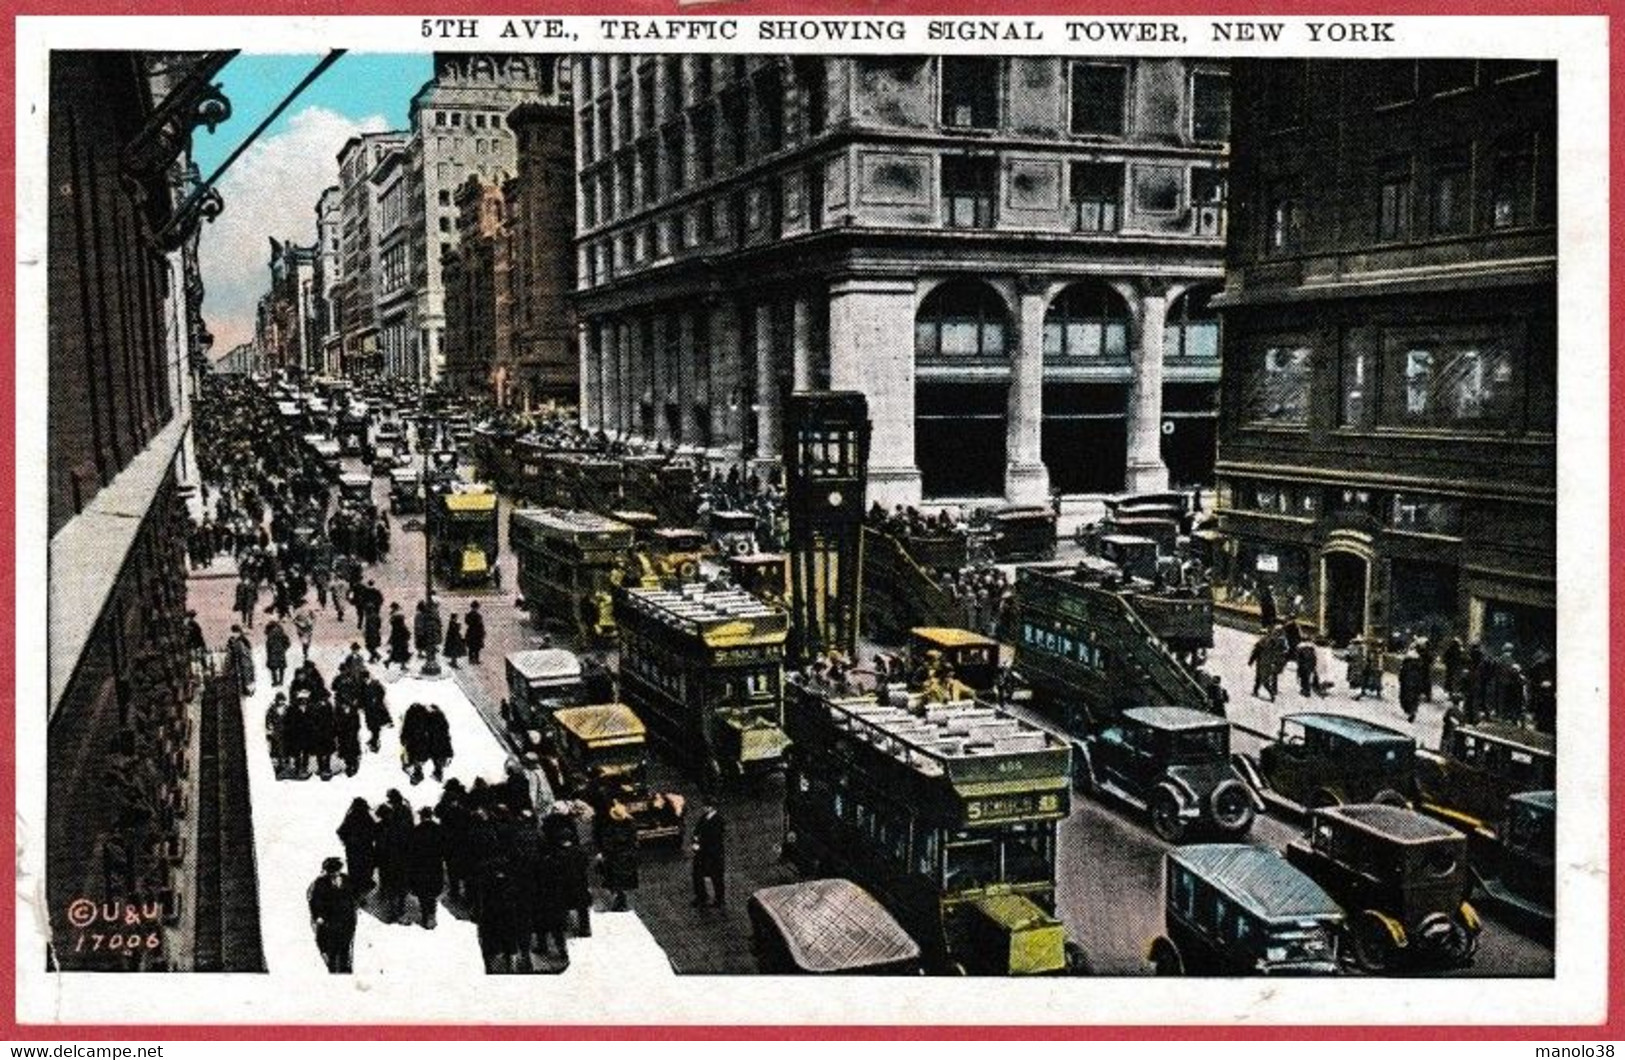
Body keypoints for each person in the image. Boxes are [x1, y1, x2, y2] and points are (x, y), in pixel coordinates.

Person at [307, 857, 358, 974]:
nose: (334, 874)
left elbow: (353, 898)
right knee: (332, 950)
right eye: (331, 871)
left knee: (346, 948)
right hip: (330, 922)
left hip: (347, 921)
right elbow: (315, 901)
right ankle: (333, 971)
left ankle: (346, 971)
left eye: (336, 870)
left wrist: (353, 914)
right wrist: (319, 916)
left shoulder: (347, 880)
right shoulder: (320, 883)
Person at [408, 807, 446, 929]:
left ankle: (425, 916)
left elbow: (411, 850)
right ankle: (432, 915)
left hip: (421, 866)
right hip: (435, 865)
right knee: (433, 891)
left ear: (421, 817)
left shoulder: (416, 831)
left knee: (423, 891)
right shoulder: (439, 829)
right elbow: (444, 848)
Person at [598, 803, 639, 912]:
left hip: (616, 858)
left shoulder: (611, 828)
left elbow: (607, 844)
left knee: (616, 880)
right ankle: (622, 900)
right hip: (628, 857)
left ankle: (620, 900)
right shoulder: (631, 825)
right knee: (625, 880)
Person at [337, 798, 377, 894]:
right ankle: (364, 887)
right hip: (365, 847)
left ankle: (356, 888)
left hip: (353, 848)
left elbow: (340, 831)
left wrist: (346, 841)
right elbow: (375, 831)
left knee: (354, 868)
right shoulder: (367, 817)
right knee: (366, 867)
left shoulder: (350, 816)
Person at [691, 803, 726, 908]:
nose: (704, 808)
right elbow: (696, 830)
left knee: (716, 877)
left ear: (711, 807)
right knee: (697, 874)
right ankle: (701, 896)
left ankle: (719, 899)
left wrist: (700, 842)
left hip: (713, 854)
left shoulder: (718, 820)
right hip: (702, 852)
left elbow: (714, 838)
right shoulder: (704, 817)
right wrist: (695, 839)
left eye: (706, 806)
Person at [362, 675, 391, 753]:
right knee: (371, 727)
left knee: (376, 727)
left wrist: (377, 699)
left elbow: (382, 692)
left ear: (367, 678)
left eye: (365, 679)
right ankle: (373, 741)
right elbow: (362, 697)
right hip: (369, 710)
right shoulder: (363, 686)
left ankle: (374, 744)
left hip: (376, 709)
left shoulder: (375, 684)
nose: (364, 680)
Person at [226, 625, 256, 697]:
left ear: (238, 633)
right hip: (240, 667)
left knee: (245, 679)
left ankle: (248, 690)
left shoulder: (240, 644)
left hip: (242, 667)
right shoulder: (238, 641)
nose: (233, 634)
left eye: (234, 632)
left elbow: (243, 659)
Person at [263, 620, 292, 687]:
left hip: (273, 653)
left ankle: (275, 681)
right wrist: (284, 649)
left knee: (273, 668)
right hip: (281, 652)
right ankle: (281, 681)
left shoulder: (270, 634)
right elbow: (288, 643)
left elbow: (268, 645)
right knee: (281, 667)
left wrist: (269, 652)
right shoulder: (282, 632)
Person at [387, 605, 412, 671]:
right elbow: (405, 631)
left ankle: (388, 662)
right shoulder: (401, 625)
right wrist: (408, 635)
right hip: (402, 640)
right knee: (403, 653)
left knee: (395, 653)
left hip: (397, 640)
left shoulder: (395, 624)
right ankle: (402, 666)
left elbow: (394, 632)